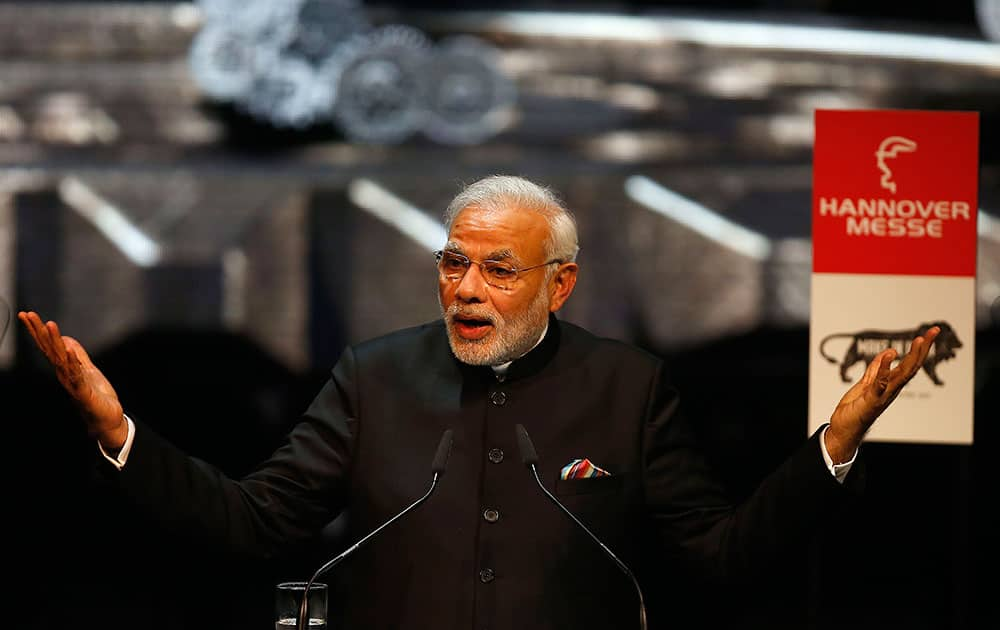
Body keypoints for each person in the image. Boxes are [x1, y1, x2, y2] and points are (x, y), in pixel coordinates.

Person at [18, 175, 938, 630]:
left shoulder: (629, 386)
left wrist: (836, 444)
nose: (465, 288)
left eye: (499, 269)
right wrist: (119, 435)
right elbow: (255, 523)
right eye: (454, 263)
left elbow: (723, 554)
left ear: (561, 283)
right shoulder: (372, 377)